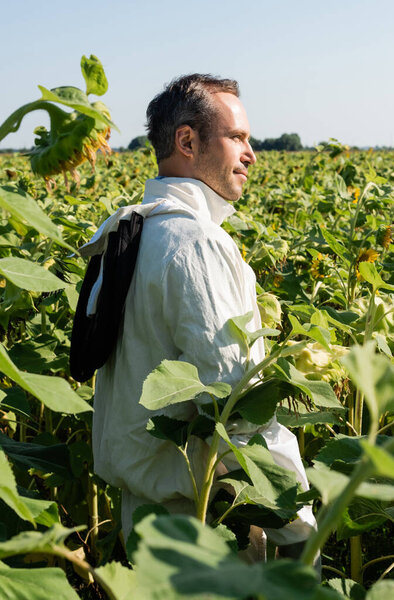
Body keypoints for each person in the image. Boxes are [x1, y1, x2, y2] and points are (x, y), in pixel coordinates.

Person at [91, 74, 316, 559]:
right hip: (207, 526)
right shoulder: (195, 245)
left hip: (145, 516)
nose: (251, 154)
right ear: (187, 141)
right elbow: (237, 409)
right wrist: (298, 533)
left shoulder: (132, 231)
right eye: (237, 137)